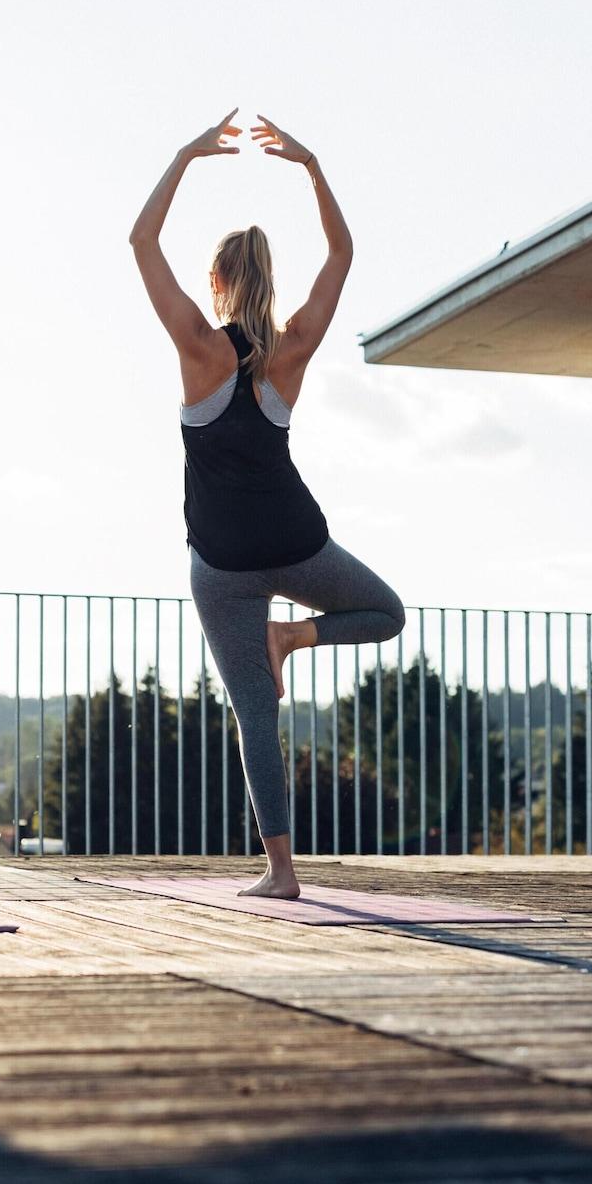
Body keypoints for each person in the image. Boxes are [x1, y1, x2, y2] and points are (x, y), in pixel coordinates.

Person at [129, 110, 405, 898]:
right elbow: (344, 254)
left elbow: (140, 244)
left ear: (215, 282)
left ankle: (280, 871)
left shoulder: (197, 345)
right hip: (293, 544)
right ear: (269, 282)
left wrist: (183, 155)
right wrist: (312, 165)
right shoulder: (294, 347)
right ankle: (297, 634)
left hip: (220, 564)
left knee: (257, 716)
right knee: (386, 613)